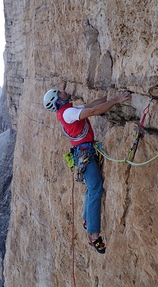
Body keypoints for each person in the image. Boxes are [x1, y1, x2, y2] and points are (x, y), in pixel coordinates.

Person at [43, 88, 131, 254]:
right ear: (57, 101)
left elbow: (91, 105)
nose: (63, 91)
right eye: (59, 93)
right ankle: (94, 234)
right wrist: (115, 101)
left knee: (91, 188)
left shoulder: (68, 110)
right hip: (86, 155)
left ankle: (86, 220)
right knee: (95, 188)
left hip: (84, 153)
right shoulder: (68, 113)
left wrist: (109, 95)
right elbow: (93, 111)